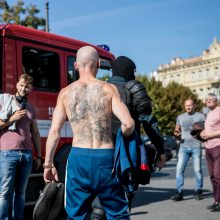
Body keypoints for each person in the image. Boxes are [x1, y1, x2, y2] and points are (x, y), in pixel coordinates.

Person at [43, 46, 135, 219]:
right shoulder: (109, 89)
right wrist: (122, 139)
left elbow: (54, 131)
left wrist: (48, 164)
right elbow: (128, 124)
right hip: (106, 157)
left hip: (79, 158)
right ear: (98, 64)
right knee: (118, 213)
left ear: (76, 65)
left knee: (76, 214)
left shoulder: (65, 93)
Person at [91, 56, 166, 219]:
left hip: (96, 150)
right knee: (123, 199)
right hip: (127, 151)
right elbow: (149, 123)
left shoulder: (98, 88)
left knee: (99, 199)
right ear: (129, 71)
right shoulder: (134, 88)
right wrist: (161, 150)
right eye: (133, 71)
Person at [0, 74, 42, 220]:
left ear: (31, 89)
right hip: (8, 153)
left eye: (27, 86)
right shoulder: (5, 101)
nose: (24, 88)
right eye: (22, 85)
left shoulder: (30, 107)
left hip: (27, 155)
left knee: (21, 193)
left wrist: (39, 156)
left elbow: (35, 133)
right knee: (4, 192)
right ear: (17, 85)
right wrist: (12, 118)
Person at [171, 98, 205, 201]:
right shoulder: (180, 117)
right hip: (183, 147)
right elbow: (177, 130)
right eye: (186, 106)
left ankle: (198, 191)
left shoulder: (201, 116)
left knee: (198, 170)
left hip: (196, 146)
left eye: (190, 105)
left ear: (194, 105)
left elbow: (205, 130)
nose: (188, 107)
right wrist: (176, 133)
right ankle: (179, 193)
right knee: (179, 170)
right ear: (184, 107)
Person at [200, 93, 220, 212]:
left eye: (211, 99)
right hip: (208, 147)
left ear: (216, 100)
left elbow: (212, 132)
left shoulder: (219, 110)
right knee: (212, 176)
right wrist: (203, 134)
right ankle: (216, 200)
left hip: (218, 146)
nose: (209, 101)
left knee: (218, 176)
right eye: (207, 99)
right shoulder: (208, 113)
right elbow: (209, 130)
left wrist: (209, 135)